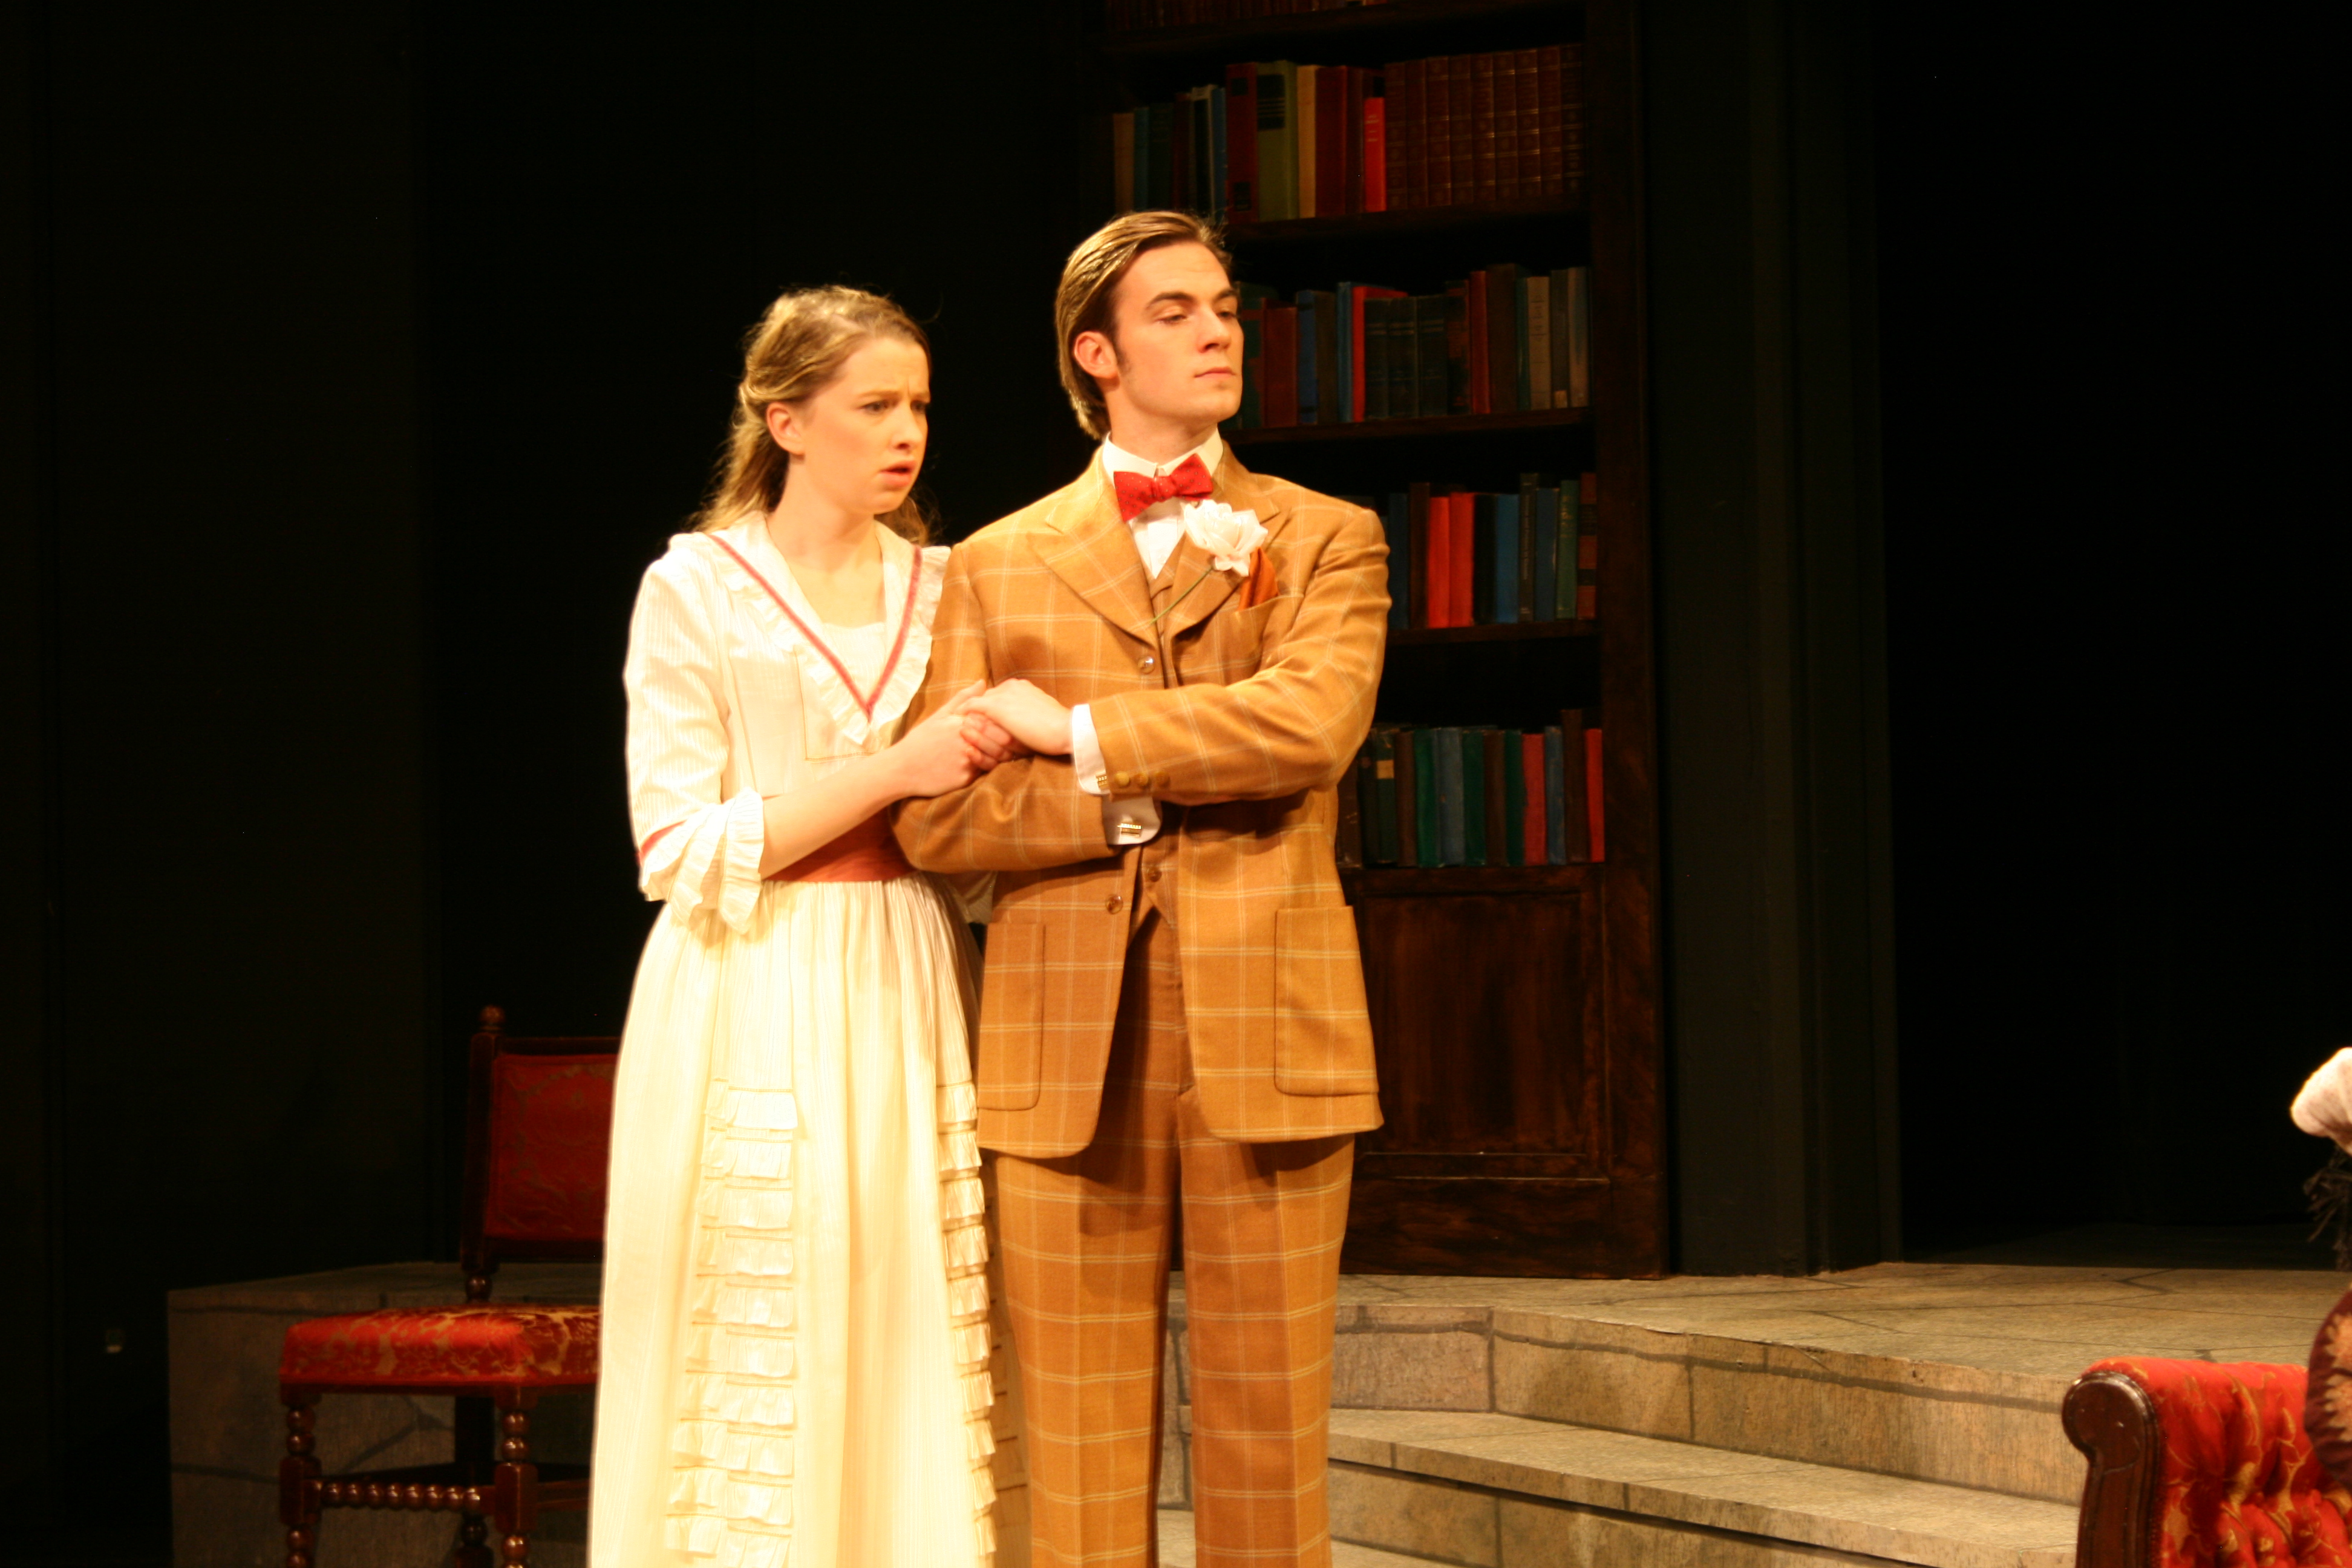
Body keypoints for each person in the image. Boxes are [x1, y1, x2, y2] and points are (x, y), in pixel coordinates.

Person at [896, 211, 1389, 1568]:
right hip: (1067, 1045)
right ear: (1096, 352)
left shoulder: (1328, 534)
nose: (1218, 329)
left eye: (1224, 306)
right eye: (1176, 312)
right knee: (1073, 1456)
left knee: (1269, 1437)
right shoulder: (993, 562)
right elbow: (943, 815)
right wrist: (1124, 802)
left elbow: (1308, 727)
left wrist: (1079, 733)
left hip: (1270, 1023)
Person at [591, 285, 1014, 1568]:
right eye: (874, 404)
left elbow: (982, 826)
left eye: (921, 406)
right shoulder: (698, 586)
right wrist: (894, 772)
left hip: (908, 971)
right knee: (772, 1312)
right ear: (786, 418)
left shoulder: (950, 584)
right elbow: (675, 847)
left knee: (905, 1315)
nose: (907, 434)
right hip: (754, 984)